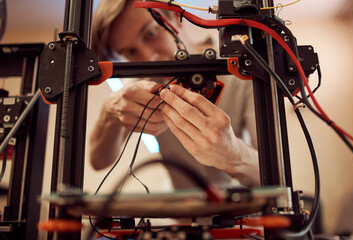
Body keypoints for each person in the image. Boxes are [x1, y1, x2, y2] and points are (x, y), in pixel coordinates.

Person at [89, 0, 260, 189]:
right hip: (179, 213)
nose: (149, 58)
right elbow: (98, 161)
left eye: (151, 33)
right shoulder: (138, 85)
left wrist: (233, 155)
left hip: (243, 212)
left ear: (177, 19)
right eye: (130, 52)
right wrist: (110, 113)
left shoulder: (242, 71)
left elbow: (274, 175)